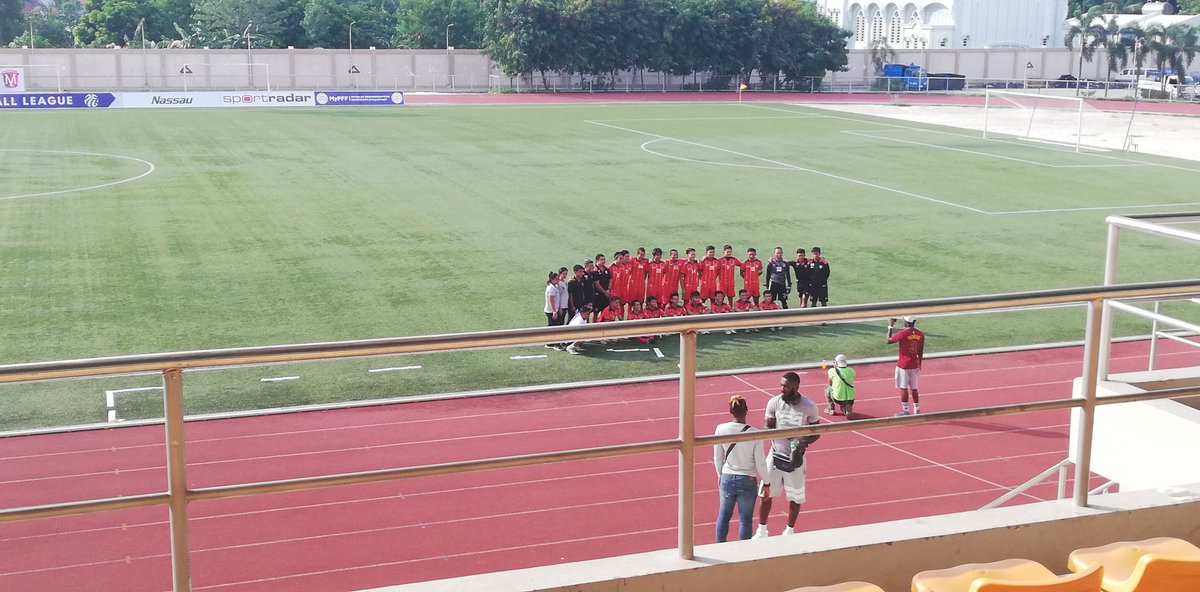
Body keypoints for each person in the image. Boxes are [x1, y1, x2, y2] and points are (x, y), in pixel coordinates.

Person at [752, 371, 820, 539]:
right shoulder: (774, 403)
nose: (782, 389)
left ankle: (789, 530)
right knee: (765, 494)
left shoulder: (808, 406)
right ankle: (761, 531)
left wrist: (803, 443)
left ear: (796, 387)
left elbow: (817, 432)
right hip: (775, 455)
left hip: (796, 458)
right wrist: (779, 431)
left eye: (786, 386)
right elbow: (767, 428)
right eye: (781, 385)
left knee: (795, 497)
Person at [714, 395, 769, 542]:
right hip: (747, 479)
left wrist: (720, 474)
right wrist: (767, 482)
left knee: (723, 515)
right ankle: (743, 552)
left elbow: (717, 457)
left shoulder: (721, 429)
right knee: (745, 519)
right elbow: (760, 463)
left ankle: (718, 547)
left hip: (727, 477)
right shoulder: (755, 433)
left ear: (730, 411)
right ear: (747, 410)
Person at [887, 315, 926, 415]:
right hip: (914, 364)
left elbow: (889, 340)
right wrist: (919, 363)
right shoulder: (920, 334)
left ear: (907, 323)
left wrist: (890, 326)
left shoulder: (903, 333)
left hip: (903, 365)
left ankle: (905, 410)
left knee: (903, 387)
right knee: (914, 388)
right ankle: (917, 409)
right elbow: (920, 350)